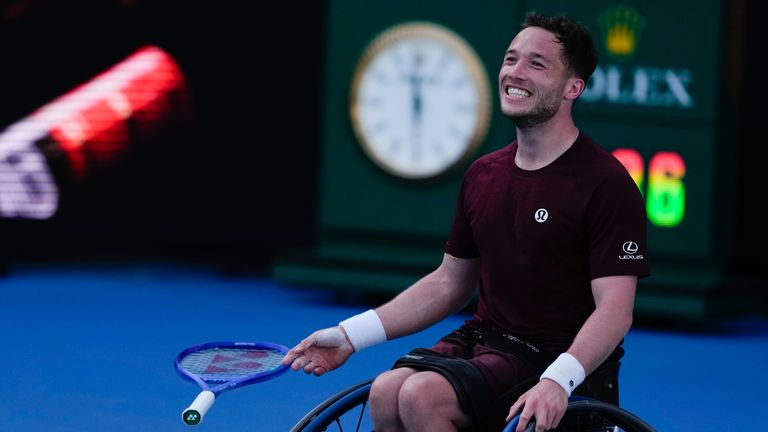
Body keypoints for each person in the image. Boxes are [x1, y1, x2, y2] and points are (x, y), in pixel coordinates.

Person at [282, 11, 650, 432]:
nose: (516, 72)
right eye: (511, 59)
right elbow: (449, 283)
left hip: (553, 359)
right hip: (484, 341)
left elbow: (616, 311)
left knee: (422, 397)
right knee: (387, 390)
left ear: (573, 88)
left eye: (537, 64)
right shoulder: (483, 175)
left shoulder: (606, 183)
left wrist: (559, 380)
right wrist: (350, 335)